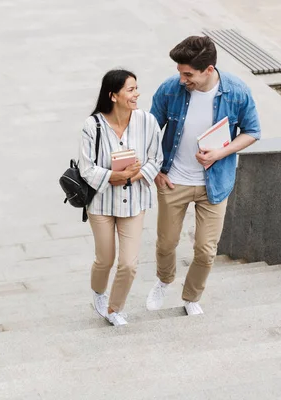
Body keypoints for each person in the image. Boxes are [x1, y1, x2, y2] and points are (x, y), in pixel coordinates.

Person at [146, 36, 261, 315]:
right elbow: (149, 131)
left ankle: (191, 296)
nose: (182, 79)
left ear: (209, 70)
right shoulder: (170, 90)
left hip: (215, 183)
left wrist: (220, 153)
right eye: (180, 72)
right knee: (166, 243)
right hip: (174, 180)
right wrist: (155, 171)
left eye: (188, 74)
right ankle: (164, 280)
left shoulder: (236, 91)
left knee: (206, 250)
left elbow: (252, 132)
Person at [79, 69, 163, 326]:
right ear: (113, 95)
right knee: (105, 259)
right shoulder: (92, 126)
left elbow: (156, 159)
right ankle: (98, 292)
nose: (136, 94)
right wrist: (116, 177)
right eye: (130, 89)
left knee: (128, 264)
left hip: (135, 201)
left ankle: (115, 309)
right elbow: (86, 168)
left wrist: (132, 177)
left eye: (136, 88)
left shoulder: (148, 121)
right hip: (102, 203)